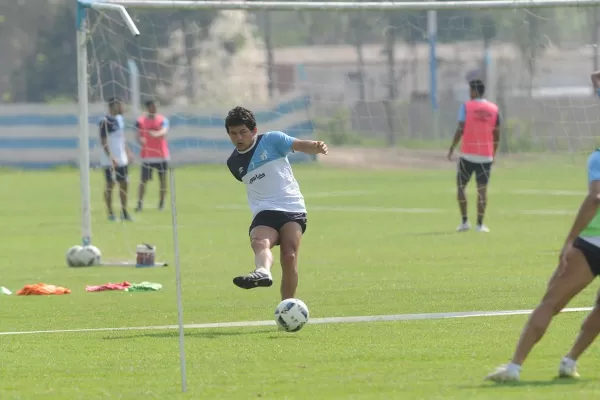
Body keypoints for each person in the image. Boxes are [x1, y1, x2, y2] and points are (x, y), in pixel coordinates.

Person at [484, 79, 600, 381]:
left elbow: (596, 197)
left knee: (551, 303)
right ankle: (569, 361)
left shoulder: (598, 157)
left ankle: (514, 367)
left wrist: (569, 240)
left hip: (590, 244)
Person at [225, 106, 328, 300]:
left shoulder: (272, 140)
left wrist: (315, 146)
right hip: (264, 210)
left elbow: (298, 145)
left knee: (289, 256)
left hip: (292, 207)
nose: (238, 137)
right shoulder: (234, 163)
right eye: (233, 133)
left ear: (254, 130)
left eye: (243, 132)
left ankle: (287, 306)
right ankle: (262, 272)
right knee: (259, 241)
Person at [447, 79, 501, 233]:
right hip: (485, 156)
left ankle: (464, 222)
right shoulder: (494, 109)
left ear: (475, 91)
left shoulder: (466, 107)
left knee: (461, 187)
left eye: (470, 90)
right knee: (482, 190)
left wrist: (452, 147)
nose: (469, 94)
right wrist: (493, 153)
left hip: (468, 154)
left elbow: (460, 128)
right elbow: (497, 134)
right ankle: (480, 224)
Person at [99, 97, 133, 221]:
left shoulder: (120, 119)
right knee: (110, 184)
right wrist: (110, 156)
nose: (122, 108)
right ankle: (110, 213)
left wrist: (128, 152)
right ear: (114, 106)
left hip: (121, 158)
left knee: (124, 183)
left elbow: (122, 138)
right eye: (121, 105)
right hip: (109, 160)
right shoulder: (104, 121)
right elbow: (103, 141)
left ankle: (124, 212)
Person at [134, 100, 170, 212]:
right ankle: (139, 203)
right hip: (147, 156)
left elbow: (164, 131)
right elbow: (137, 134)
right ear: (148, 108)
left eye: (156, 106)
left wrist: (156, 134)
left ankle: (161, 203)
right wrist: (140, 140)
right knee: (143, 180)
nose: (155, 109)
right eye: (153, 106)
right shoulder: (140, 121)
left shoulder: (163, 120)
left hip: (161, 155)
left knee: (163, 180)